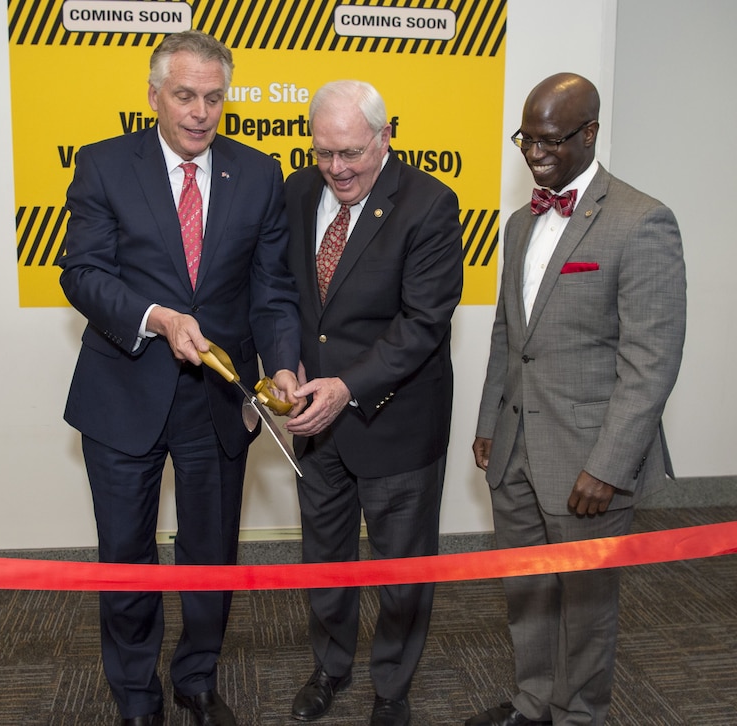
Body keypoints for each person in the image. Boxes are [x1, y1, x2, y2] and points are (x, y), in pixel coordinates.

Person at [59, 30, 302, 726]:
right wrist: (156, 316)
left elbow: (272, 290)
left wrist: (281, 362)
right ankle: (135, 694)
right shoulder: (104, 165)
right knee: (127, 554)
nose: (200, 112)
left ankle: (197, 677)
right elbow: (82, 273)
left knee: (210, 550)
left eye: (214, 98)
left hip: (217, 400)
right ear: (153, 94)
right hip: (123, 393)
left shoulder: (257, 174)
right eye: (185, 95)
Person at [468, 73, 686, 726]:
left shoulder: (642, 221)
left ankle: (578, 715)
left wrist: (609, 466)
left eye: (551, 141)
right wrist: (486, 424)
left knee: (586, 606)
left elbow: (651, 363)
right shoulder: (517, 223)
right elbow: (511, 336)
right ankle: (534, 704)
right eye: (526, 140)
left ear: (590, 133)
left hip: (587, 462)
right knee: (528, 590)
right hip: (514, 450)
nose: (535, 155)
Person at [281, 80, 464, 726]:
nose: (337, 168)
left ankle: (392, 686)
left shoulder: (431, 205)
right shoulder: (299, 193)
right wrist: (283, 360)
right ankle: (329, 668)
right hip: (316, 426)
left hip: (396, 423)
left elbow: (421, 324)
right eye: (324, 153)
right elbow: (282, 291)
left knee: (402, 571)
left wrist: (346, 387)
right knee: (323, 560)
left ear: (385, 138)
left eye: (351, 152)